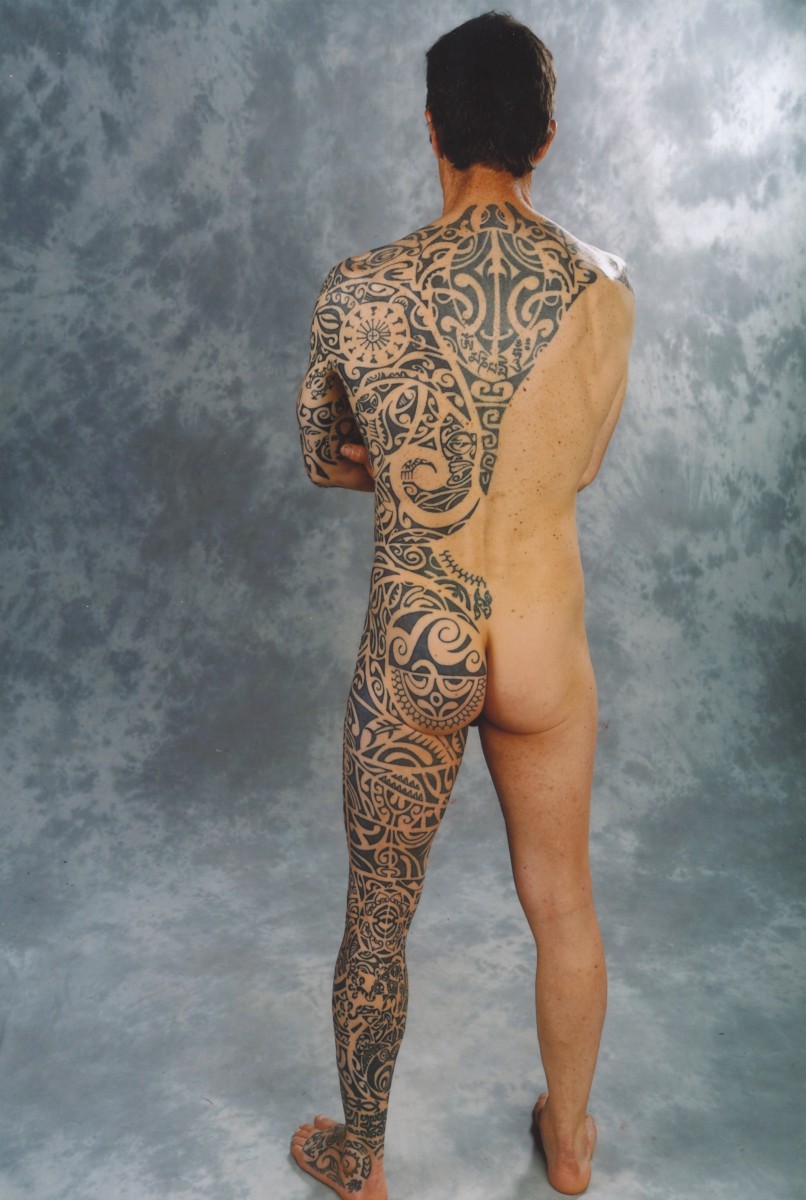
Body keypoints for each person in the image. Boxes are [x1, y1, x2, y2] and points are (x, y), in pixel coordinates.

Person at [290, 11, 634, 1198]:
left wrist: (414, 461)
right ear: (546, 136)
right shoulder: (607, 292)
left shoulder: (358, 290)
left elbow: (323, 456)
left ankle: (361, 1155)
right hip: (542, 644)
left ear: (430, 128)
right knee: (563, 905)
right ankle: (570, 1145)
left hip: (416, 638)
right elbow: (578, 464)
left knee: (377, 916)